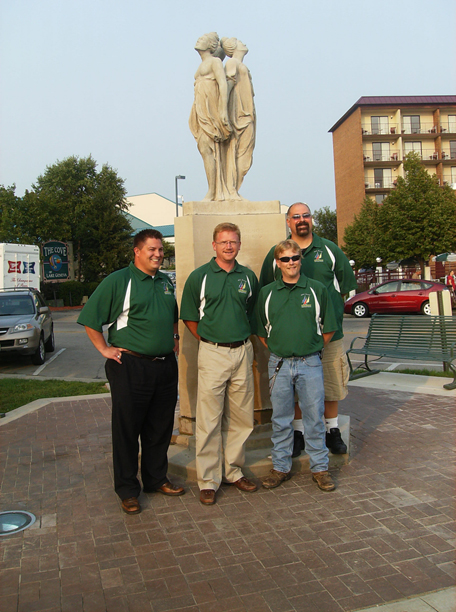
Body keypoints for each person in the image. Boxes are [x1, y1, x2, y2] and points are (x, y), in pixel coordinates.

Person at [77, 229, 184, 515]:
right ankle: (127, 490)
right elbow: (91, 318)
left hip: (164, 366)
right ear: (136, 251)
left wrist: (173, 339)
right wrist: (104, 349)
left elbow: (172, 316)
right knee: (127, 429)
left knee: (159, 427)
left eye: (160, 250)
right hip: (130, 366)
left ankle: (155, 479)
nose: (158, 255)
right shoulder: (119, 280)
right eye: (152, 250)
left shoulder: (164, 281)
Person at [259, 202, 357, 456]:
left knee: (331, 384)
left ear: (311, 220)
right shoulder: (277, 253)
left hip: (328, 336)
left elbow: (344, 287)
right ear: (288, 222)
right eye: (296, 217)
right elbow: (267, 292)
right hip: (295, 339)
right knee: (297, 388)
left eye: (306, 215)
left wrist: (328, 320)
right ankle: (299, 432)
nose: (301, 220)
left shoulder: (330, 250)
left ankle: (331, 430)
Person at [180, 222, 259, 505]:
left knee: (240, 417)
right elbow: (189, 315)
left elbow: (252, 311)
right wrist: (209, 338)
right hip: (212, 352)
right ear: (213, 245)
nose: (228, 246)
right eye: (223, 242)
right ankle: (208, 480)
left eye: (233, 242)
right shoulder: (199, 276)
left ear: (239, 244)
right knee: (210, 418)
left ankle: (233, 472)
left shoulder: (248, 277)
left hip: (242, 351)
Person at [255, 240, 338, 491]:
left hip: (309, 363)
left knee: (314, 418)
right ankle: (280, 467)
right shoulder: (267, 293)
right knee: (281, 418)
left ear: (301, 259)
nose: (291, 263)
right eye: (285, 259)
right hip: (278, 364)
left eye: (295, 257)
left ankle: (320, 469)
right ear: (277, 263)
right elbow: (261, 331)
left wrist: (309, 348)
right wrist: (280, 348)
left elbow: (329, 327)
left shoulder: (316, 289)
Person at [189, 32, 232, 201]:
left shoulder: (215, 62)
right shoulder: (201, 65)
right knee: (203, 148)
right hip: (200, 110)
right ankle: (213, 189)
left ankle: (213, 191)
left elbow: (222, 85)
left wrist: (222, 111)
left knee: (208, 147)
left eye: (203, 38)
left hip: (211, 110)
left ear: (212, 45)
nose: (199, 39)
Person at [221, 37, 256, 198]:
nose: (243, 42)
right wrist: (224, 112)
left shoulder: (241, 65)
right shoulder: (231, 63)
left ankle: (233, 189)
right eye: (239, 41)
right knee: (237, 154)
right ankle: (231, 190)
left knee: (245, 156)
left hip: (248, 115)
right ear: (233, 47)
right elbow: (227, 85)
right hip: (238, 116)